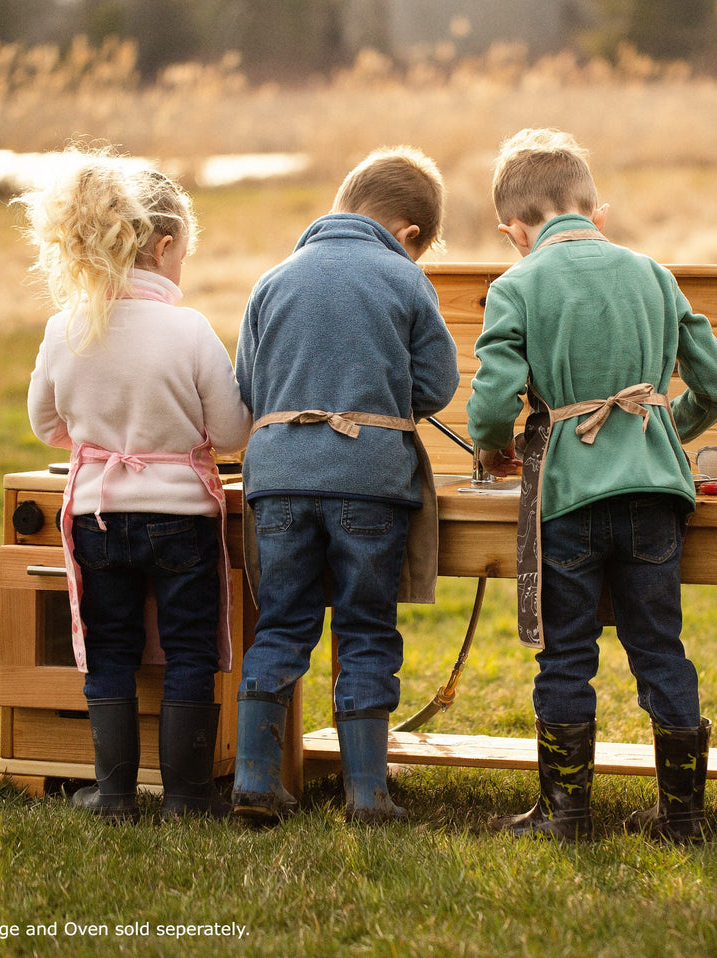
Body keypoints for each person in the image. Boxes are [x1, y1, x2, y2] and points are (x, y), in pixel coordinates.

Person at [465, 128, 717, 842]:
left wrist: (495, 449)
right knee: (659, 649)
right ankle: (683, 818)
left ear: (513, 231)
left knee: (566, 653)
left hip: (569, 498)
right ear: (597, 213)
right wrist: (664, 430)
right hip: (654, 496)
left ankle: (566, 814)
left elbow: (493, 402)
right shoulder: (652, 273)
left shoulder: (516, 284)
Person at [232, 146, 459, 826]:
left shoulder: (272, 280)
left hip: (277, 479)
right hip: (368, 480)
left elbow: (247, 386)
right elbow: (437, 386)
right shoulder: (403, 278)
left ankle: (253, 780)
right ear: (409, 234)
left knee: (281, 622)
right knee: (364, 626)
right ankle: (366, 793)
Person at [23, 150, 252, 823]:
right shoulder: (187, 329)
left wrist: (104, 443)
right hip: (181, 518)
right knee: (189, 648)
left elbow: (44, 423)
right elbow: (232, 429)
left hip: (97, 515)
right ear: (164, 244)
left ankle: (115, 795)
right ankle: (186, 797)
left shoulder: (64, 328)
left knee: (108, 650)